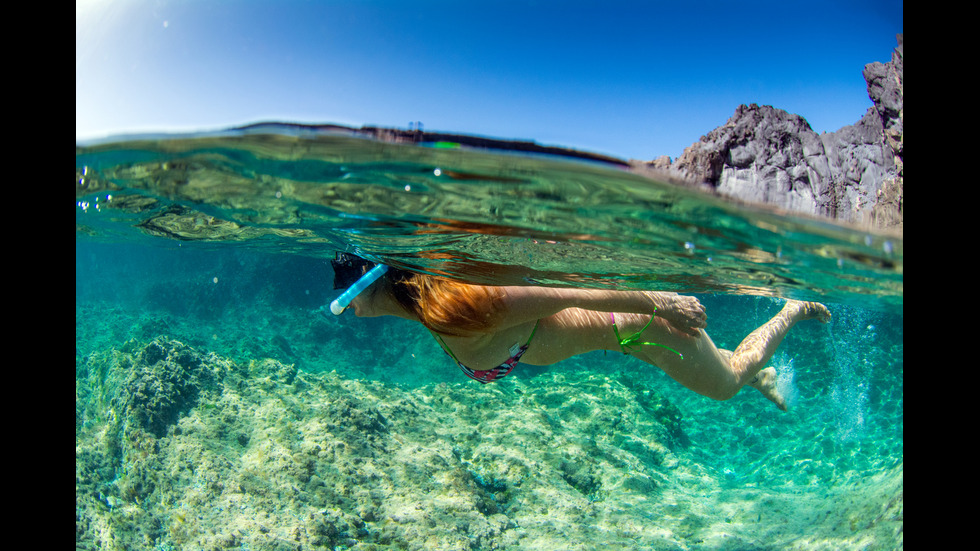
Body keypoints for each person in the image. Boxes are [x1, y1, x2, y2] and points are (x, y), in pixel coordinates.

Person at [329, 254, 831, 411]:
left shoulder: (459, 311)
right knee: (725, 371)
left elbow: (569, 295)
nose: (347, 309)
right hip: (624, 330)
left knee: (725, 385)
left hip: (638, 327)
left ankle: (788, 312)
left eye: (346, 296)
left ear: (371, 284)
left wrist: (663, 303)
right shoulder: (425, 298)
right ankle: (758, 376)